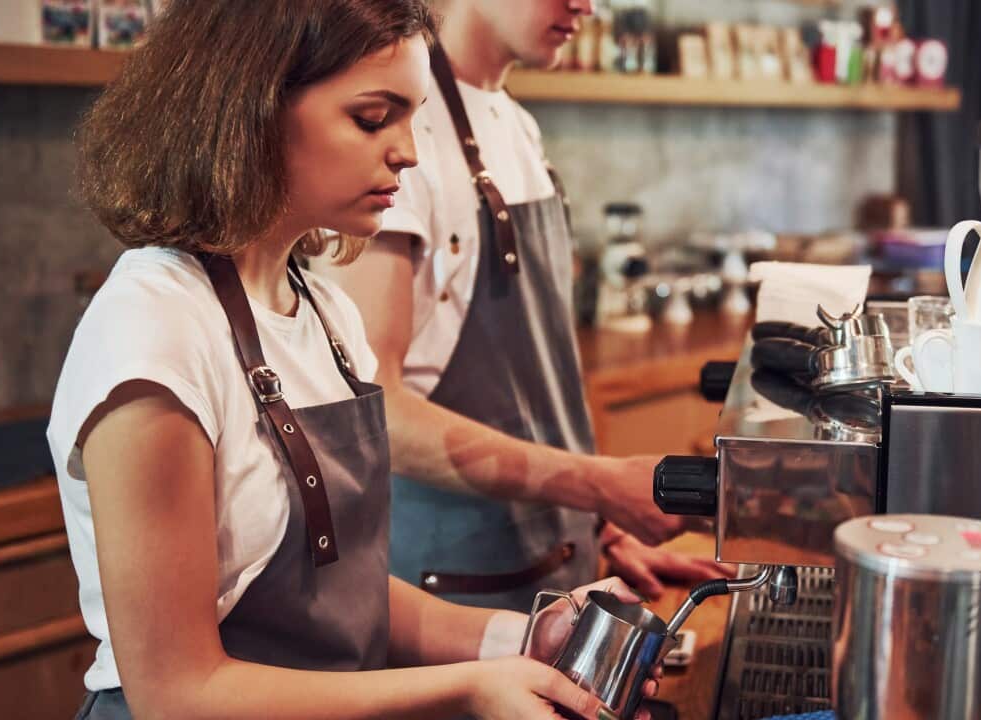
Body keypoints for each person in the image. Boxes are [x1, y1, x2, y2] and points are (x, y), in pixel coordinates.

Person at [51, 1, 655, 717]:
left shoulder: (322, 312)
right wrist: (469, 686)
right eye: (374, 118)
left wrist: (523, 639)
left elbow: (346, 598)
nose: (408, 150)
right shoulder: (154, 333)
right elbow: (178, 693)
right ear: (251, 108)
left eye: (411, 117)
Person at [314, 0, 731, 612]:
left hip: (556, 559)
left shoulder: (516, 126)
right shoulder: (402, 141)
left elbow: (535, 380)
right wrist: (601, 484)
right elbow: (379, 412)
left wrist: (600, 526)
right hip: (456, 587)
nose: (586, 6)